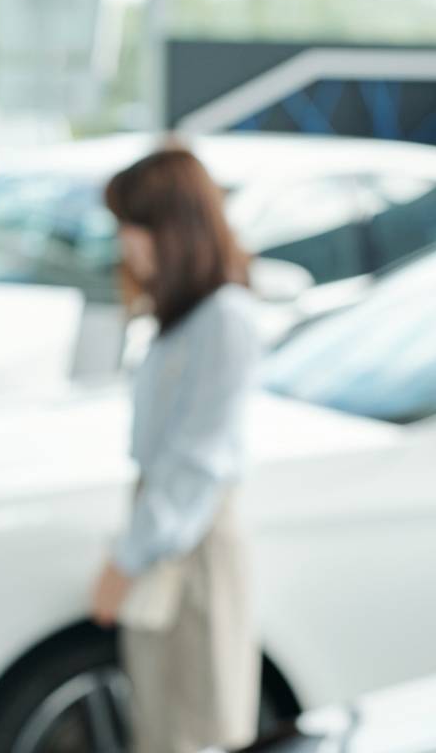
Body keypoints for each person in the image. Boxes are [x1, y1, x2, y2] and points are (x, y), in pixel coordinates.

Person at [91, 147, 263, 753]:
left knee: (198, 727)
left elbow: (195, 464)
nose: (126, 244)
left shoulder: (224, 318)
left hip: (187, 543)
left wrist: (126, 558)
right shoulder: (184, 317)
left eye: (134, 227)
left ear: (174, 228)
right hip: (167, 534)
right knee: (164, 723)